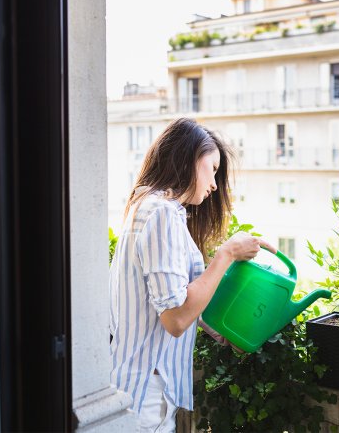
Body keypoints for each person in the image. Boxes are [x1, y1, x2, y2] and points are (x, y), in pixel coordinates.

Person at [109, 117, 275, 432]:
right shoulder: (162, 215)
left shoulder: (145, 205)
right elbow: (174, 319)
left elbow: (166, 297)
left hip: (135, 385)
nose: (214, 184)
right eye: (212, 169)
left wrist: (218, 331)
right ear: (188, 159)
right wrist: (227, 253)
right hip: (146, 392)